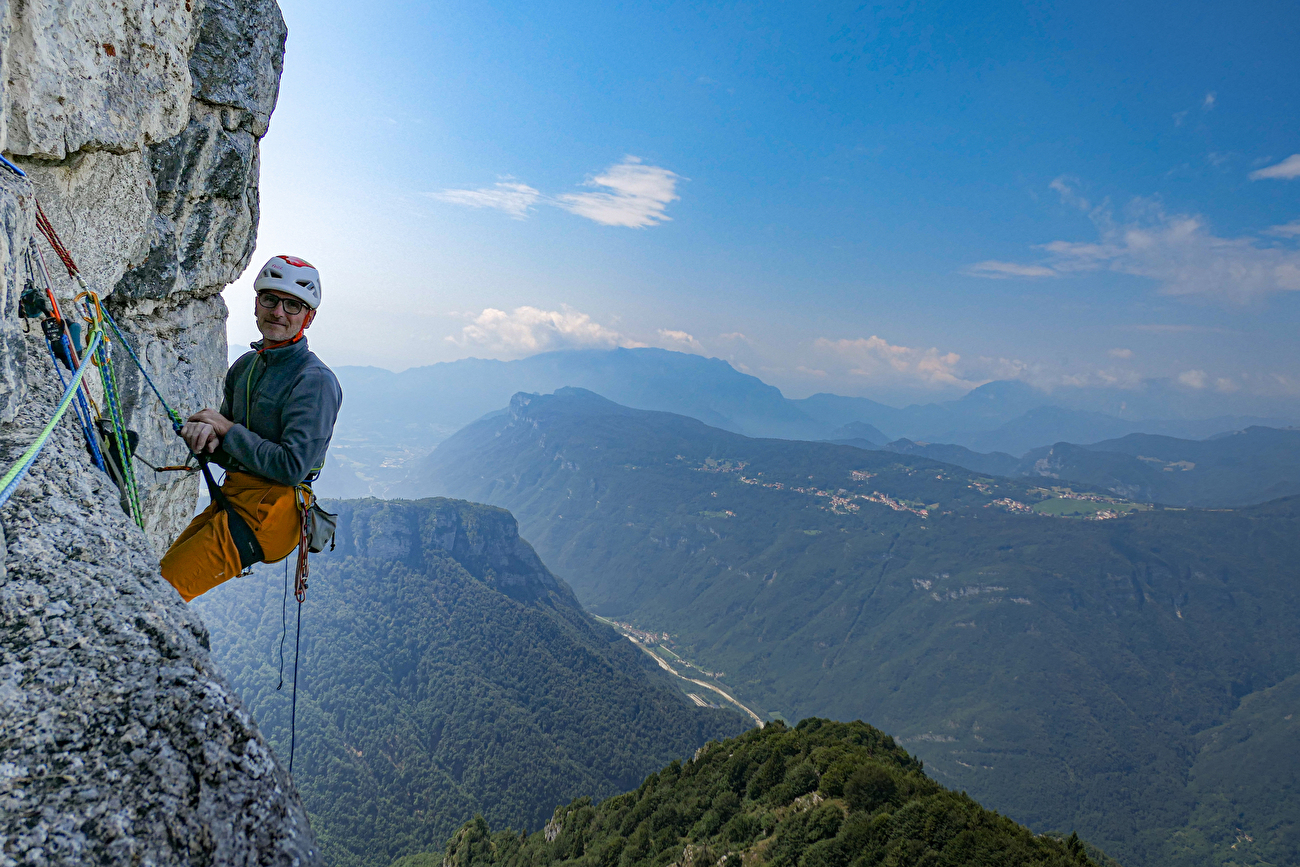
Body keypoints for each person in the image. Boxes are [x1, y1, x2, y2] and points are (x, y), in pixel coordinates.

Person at [160, 255, 343, 602]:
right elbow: (232, 448)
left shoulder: (314, 381)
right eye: (270, 299)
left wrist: (225, 430)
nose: (279, 312)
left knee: (163, 593)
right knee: (157, 578)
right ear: (256, 303)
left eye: (293, 305)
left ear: (309, 317)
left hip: (270, 515)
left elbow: (291, 467)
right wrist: (208, 438)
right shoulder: (246, 366)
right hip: (236, 497)